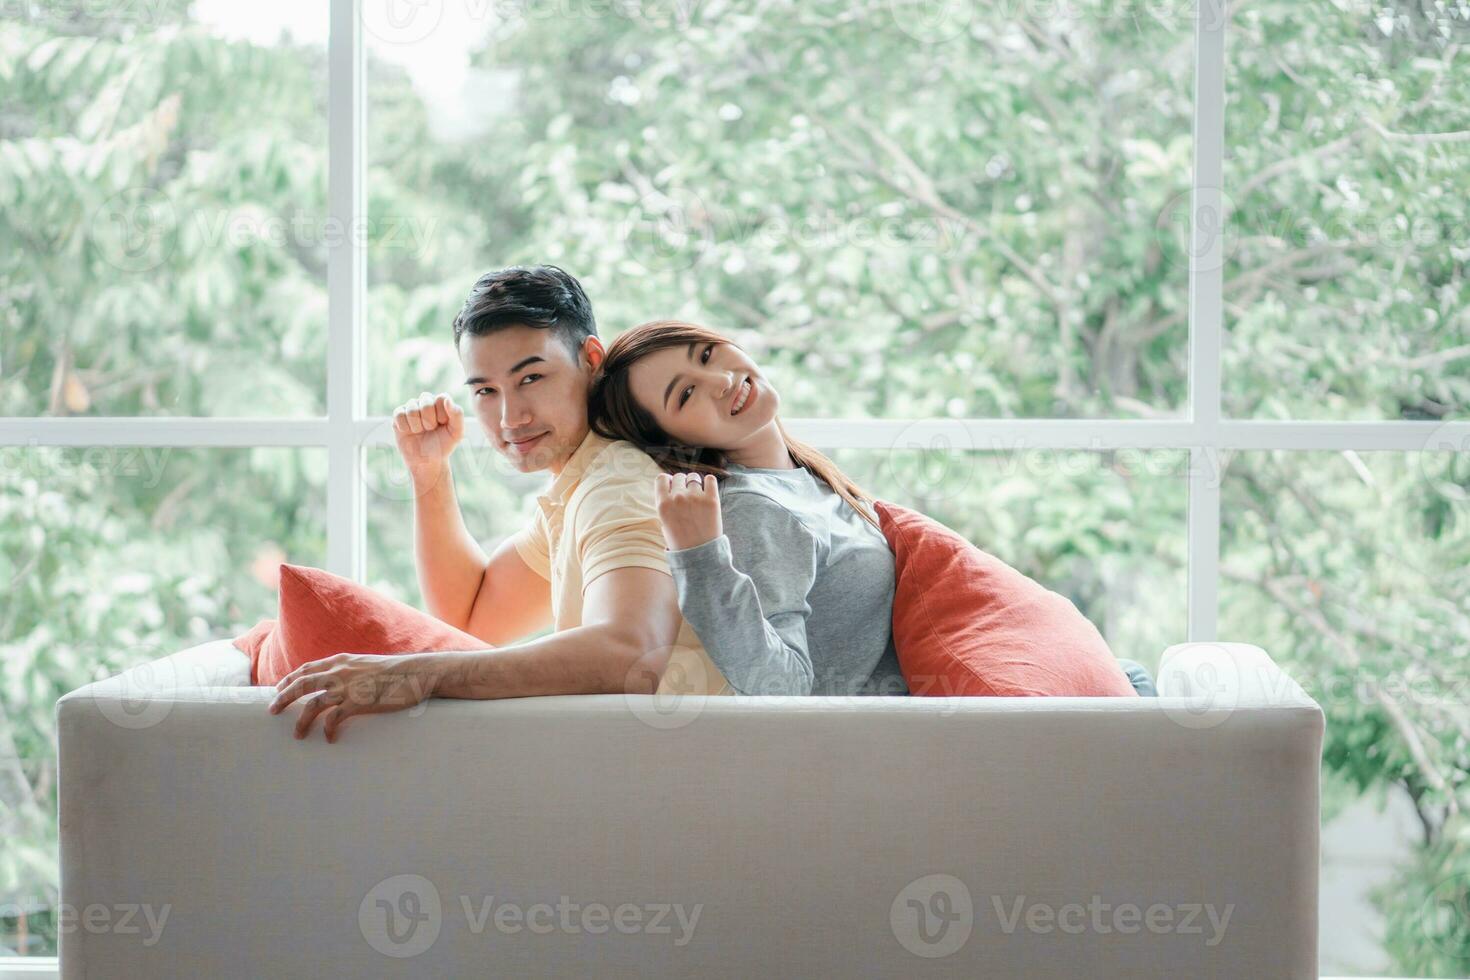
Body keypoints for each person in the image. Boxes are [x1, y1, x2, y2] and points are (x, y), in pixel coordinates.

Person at [269, 267, 730, 743]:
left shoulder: (617, 483)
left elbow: (633, 653)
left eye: (531, 377)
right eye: (486, 391)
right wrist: (430, 472)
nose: (511, 417)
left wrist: (415, 675)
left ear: (592, 359)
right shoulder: (580, 484)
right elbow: (471, 616)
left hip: (691, 772)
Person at [587, 320, 909, 697]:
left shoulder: (804, 478)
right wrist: (701, 559)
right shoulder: (755, 510)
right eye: (687, 394)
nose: (720, 380)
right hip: (867, 746)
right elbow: (778, 690)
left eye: (706, 354)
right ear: (674, 441)